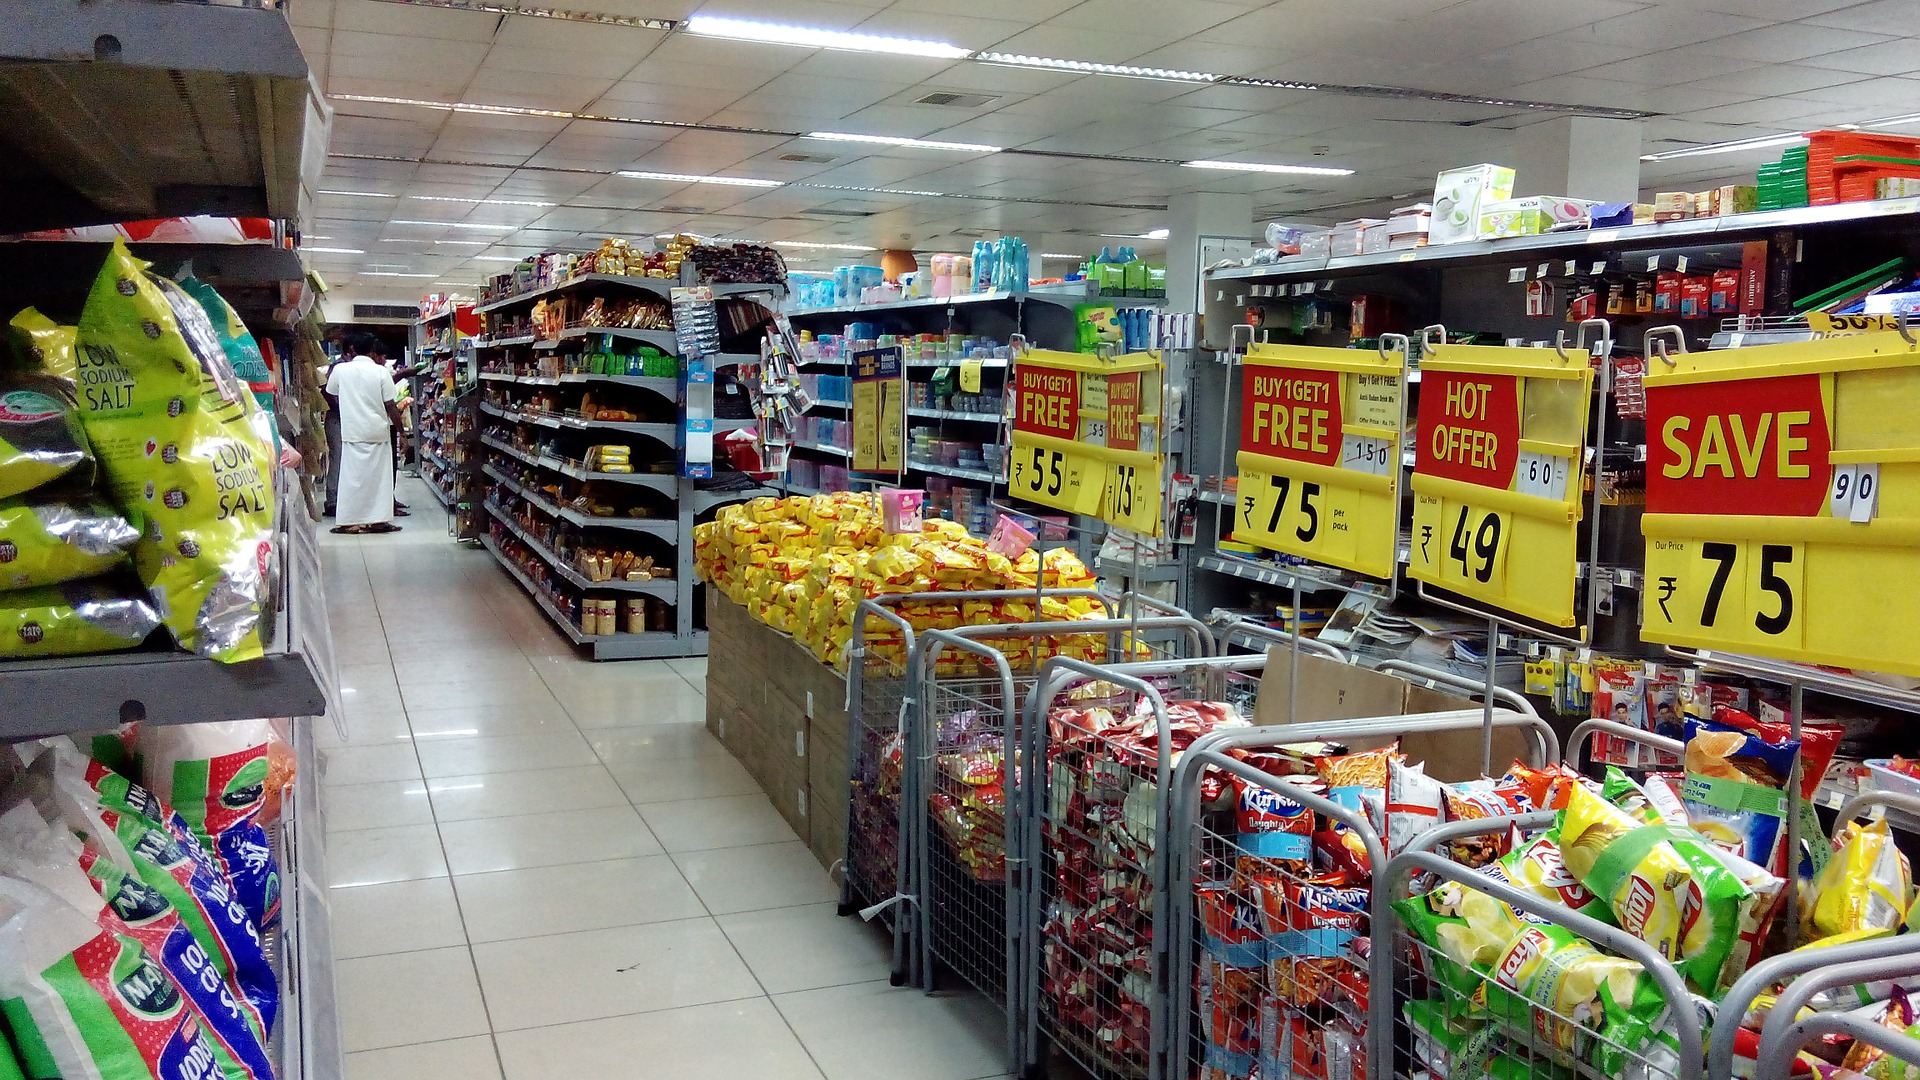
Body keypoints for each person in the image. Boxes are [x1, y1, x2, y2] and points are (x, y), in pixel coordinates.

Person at [325, 332, 405, 534]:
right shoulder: (380, 372)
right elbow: (391, 405)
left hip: (351, 430)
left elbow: (331, 391)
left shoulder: (341, 370)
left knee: (351, 478)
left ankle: (349, 522)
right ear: (371, 351)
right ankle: (378, 521)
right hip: (377, 431)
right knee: (379, 479)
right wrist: (402, 433)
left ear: (353, 350)